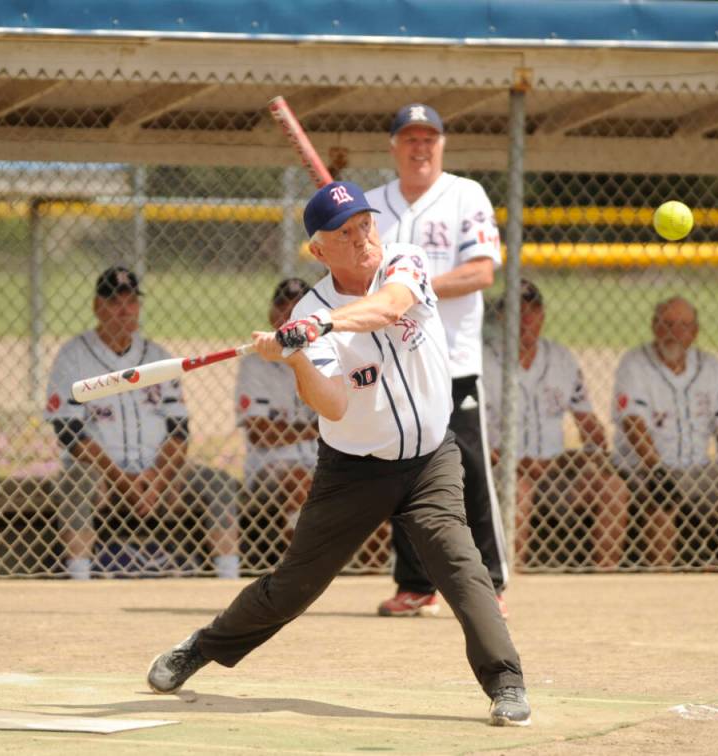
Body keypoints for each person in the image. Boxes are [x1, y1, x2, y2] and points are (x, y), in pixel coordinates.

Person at [146, 181, 530, 726]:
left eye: (364, 224)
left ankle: (507, 685)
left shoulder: (405, 260)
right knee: (292, 590)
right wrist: (296, 356)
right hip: (354, 471)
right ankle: (202, 648)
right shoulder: (310, 310)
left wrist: (320, 326)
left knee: (461, 568)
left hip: (428, 458)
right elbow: (333, 403)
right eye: (344, 233)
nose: (362, 238)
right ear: (318, 251)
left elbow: (389, 306)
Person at [365, 103, 508, 618]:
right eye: (410, 139)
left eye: (429, 139)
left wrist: (413, 287)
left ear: (441, 145)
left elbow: (481, 273)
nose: (419, 148)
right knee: (401, 473)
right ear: (394, 147)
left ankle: (488, 583)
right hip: (394, 364)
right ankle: (416, 584)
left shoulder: (465, 194)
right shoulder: (371, 206)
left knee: (468, 469)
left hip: (453, 360)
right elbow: (358, 278)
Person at [44, 266, 241, 579]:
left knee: (218, 483)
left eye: (131, 301)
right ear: (97, 306)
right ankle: (78, 578)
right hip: (101, 474)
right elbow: (68, 432)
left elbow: (179, 430)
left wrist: (158, 478)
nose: (125, 310)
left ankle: (228, 577)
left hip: (157, 472)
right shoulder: (73, 356)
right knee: (75, 484)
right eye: (114, 302)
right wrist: (123, 480)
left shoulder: (158, 356)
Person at [483, 280, 629, 570]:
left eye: (533, 310)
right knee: (519, 491)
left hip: (556, 469)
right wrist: (515, 464)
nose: (526, 318)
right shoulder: (482, 359)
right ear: (501, 317)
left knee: (613, 487)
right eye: (517, 311)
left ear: (543, 315)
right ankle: (512, 575)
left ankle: (606, 576)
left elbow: (587, 423)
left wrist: (595, 451)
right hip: (502, 467)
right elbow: (475, 437)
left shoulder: (562, 359)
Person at [611, 297, 718, 568]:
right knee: (662, 501)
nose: (674, 333)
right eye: (667, 324)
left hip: (699, 470)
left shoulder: (711, 367)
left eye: (683, 326)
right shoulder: (635, 364)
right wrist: (656, 469)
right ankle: (664, 587)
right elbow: (633, 424)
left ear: (695, 332)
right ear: (654, 327)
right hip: (644, 469)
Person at [235, 278, 319, 558]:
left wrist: (306, 429)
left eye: (299, 309)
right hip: (270, 466)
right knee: (300, 480)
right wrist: (318, 427)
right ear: (273, 315)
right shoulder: (255, 364)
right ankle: (304, 566)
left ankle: (370, 572)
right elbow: (261, 434)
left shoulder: (331, 357)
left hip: (322, 460)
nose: (290, 316)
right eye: (284, 307)